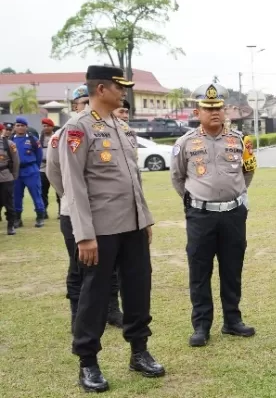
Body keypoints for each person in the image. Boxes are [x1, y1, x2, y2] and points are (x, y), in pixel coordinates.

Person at [60, 65, 163, 392]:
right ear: (102, 89)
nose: (125, 92)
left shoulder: (120, 127)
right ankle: (88, 362)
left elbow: (134, 179)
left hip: (132, 226)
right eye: (120, 87)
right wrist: (84, 235)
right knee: (95, 296)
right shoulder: (78, 128)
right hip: (100, 230)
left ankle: (139, 352)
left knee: (138, 290)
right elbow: (73, 186)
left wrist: (143, 219)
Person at [171, 83, 257, 347]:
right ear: (198, 111)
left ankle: (232, 320)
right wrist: (196, 202)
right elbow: (178, 177)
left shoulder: (240, 140)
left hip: (233, 214)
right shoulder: (185, 143)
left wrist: (236, 197)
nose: (214, 112)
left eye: (218, 107)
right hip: (201, 216)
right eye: (208, 108)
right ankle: (201, 325)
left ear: (225, 109)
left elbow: (248, 171)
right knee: (200, 271)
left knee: (232, 269)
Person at [48, 84, 124, 333]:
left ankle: (112, 309)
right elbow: (56, 175)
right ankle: (77, 315)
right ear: (75, 106)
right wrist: (72, 198)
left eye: (87, 102)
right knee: (78, 266)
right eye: (81, 103)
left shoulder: (109, 131)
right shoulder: (62, 135)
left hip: (108, 215)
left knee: (110, 265)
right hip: (75, 215)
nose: (86, 108)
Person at [11, 116, 45, 228]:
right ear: (15, 127)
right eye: (18, 125)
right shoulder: (11, 140)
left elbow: (39, 155)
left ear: (26, 127)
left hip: (31, 170)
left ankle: (40, 217)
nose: (20, 127)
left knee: (36, 194)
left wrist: (35, 167)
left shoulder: (32, 139)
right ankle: (17, 219)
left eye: (22, 125)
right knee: (16, 196)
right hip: (16, 172)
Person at [0, 123, 19, 235]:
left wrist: (14, 175)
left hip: (6, 177)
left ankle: (11, 225)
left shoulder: (9, 144)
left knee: (9, 203)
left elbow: (16, 161)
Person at [39, 117, 60, 220]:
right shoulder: (39, 138)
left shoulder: (57, 137)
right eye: (44, 126)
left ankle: (61, 211)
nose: (46, 128)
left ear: (52, 127)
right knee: (43, 192)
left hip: (56, 168)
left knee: (59, 190)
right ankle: (43, 212)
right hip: (42, 169)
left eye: (48, 126)